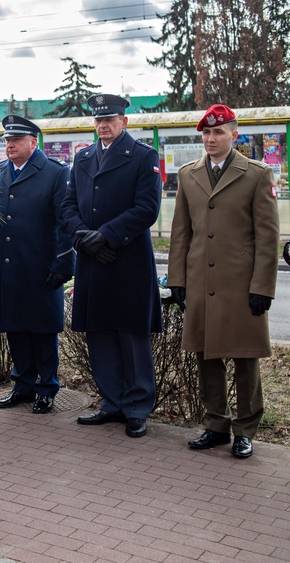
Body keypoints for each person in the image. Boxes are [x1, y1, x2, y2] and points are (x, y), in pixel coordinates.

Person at [168, 104, 279, 459]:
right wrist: (178, 279)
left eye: (218, 132)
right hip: (201, 281)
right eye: (206, 133)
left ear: (235, 134)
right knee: (206, 355)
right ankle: (216, 424)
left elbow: (267, 236)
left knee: (245, 360)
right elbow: (180, 232)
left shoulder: (256, 175)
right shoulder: (189, 174)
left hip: (242, 283)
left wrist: (263, 286)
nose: (211, 139)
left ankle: (245, 430)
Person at [62, 94, 162, 439]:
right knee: (100, 333)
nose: (103, 125)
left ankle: (137, 408)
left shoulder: (142, 156)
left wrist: (104, 236)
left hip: (127, 260)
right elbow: (68, 204)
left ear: (125, 122)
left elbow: (147, 209)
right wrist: (81, 237)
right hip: (93, 261)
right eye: (99, 120)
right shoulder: (84, 157)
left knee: (132, 337)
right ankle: (111, 402)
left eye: (111, 119)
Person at [0, 116, 73, 414]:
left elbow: (65, 222)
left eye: (16, 140)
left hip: (40, 267)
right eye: (7, 140)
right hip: (10, 268)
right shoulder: (0, 173)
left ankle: (46, 388)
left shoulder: (54, 173)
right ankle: (22, 384)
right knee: (15, 329)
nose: (9, 145)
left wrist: (63, 263)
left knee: (42, 330)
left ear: (33, 142)